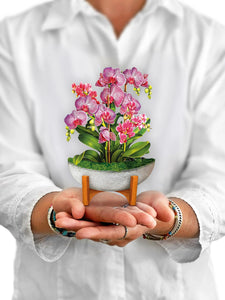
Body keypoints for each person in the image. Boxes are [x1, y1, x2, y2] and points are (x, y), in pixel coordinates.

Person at [0, 0, 225, 299]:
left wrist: (171, 219)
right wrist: (54, 211)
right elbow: (8, 168)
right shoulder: (15, 37)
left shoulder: (208, 39)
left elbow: (218, 171)